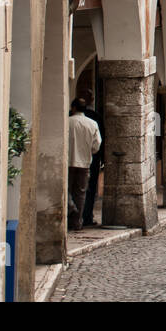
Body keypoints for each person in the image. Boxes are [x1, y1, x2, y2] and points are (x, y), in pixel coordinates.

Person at [68, 98, 102, 231]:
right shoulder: (92, 124)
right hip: (85, 163)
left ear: (74, 108)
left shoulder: (67, 122)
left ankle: (72, 211)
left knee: (67, 191)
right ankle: (77, 222)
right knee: (81, 193)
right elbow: (96, 146)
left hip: (69, 161)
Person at [79, 89, 103, 228]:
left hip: (70, 161)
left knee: (72, 189)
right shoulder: (94, 119)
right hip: (89, 160)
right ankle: (86, 216)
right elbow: (98, 144)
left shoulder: (68, 118)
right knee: (88, 190)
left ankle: (73, 216)